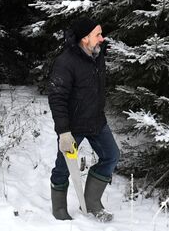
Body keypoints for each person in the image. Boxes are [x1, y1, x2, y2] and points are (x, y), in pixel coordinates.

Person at [47, 17, 120, 222]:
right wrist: (63, 132)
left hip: (97, 121)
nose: (102, 38)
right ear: (85, 38)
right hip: (73, 127)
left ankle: (91, 202)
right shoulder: (65, 62)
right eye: (97, 34)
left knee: (112, 156)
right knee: (63, 168)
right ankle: (59, 207)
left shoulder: (98, 56)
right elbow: (57, 97)